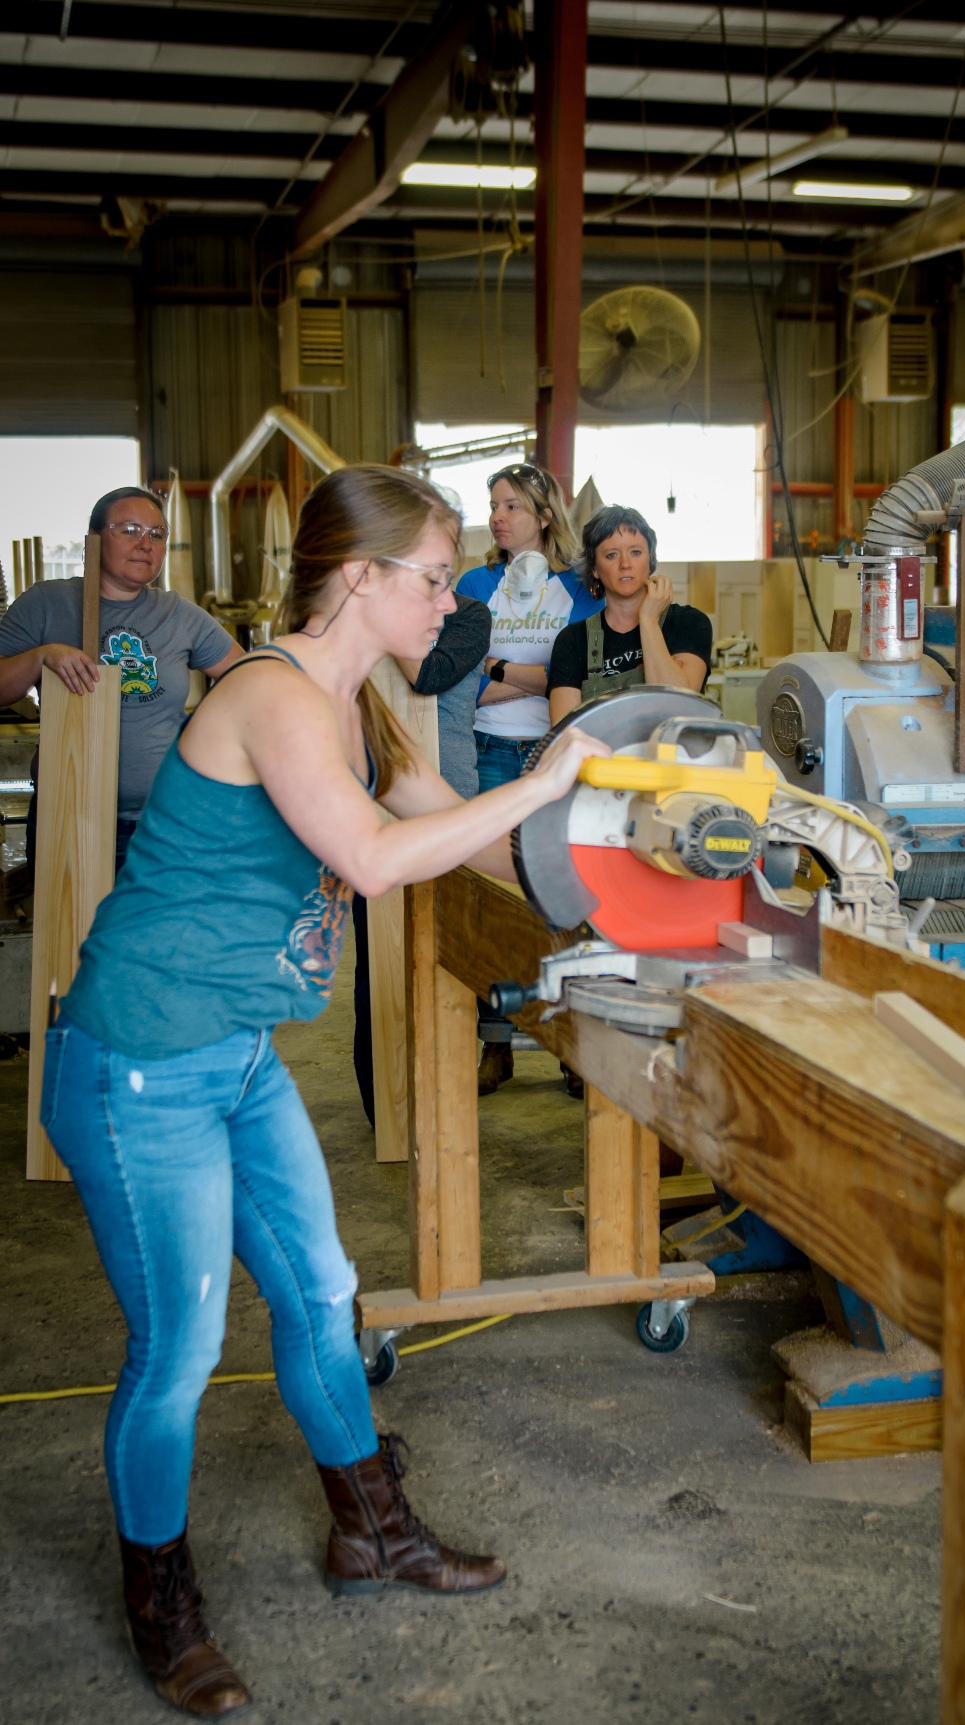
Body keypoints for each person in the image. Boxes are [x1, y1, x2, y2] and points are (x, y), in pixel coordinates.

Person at [40, 464, 607, 1720]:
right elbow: (370, 858)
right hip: (138, 1059)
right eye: (431, 577)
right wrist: (542, 781)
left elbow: (466, 830)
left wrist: (615, 838)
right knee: (178, 1350)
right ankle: (159, 1601)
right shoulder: (271, 694)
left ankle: (373, 1532)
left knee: (321, 1293)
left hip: (234, 1052)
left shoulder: (367, 711)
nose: (447, 602)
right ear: (359, 577)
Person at [0, 486, 243, 872]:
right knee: (74, 932)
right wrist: (39, 658)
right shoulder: (47, 604)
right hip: (69, 815)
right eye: (129, 530)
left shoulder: (179, 615)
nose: (145, 544)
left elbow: (250, 680)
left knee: (160, 931)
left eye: (156, 534)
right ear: (94, 539)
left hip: (164, 821)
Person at [456, 462, 602, 1093]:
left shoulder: (579, 589)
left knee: (563, 895)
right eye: (493, 505)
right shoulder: (473, 582)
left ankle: (571, 1043)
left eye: (512, 505)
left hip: (554, 752)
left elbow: (577, 676)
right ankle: (496, 1042)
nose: (498, 516)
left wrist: (498, 669)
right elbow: (456, 674)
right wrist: (517, 677)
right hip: (486, 749)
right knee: (492, 898)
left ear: (545, 516)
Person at [351, 588, 492, 1124]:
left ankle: (447, 1096)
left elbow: (427, 674)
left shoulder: (470, 613)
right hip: (375, 804)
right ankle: (387, 1106)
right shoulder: (360, 605)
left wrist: (384, 616)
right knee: (380, 962)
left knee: (451, 961)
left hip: (450, 802)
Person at [547, 504, 712, 722]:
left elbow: (676, 708)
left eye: (635, 552)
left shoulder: (688, 623)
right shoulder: (573, 641)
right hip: (601, 756)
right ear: (595, 569)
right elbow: (565, 734)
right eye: (612, 555)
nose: (625, 564)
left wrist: (648, 620)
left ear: (650, 560)